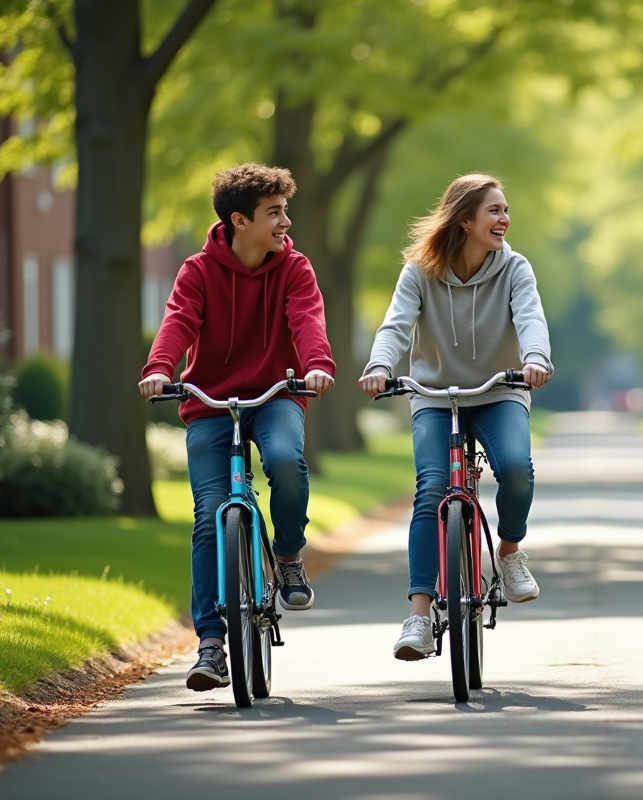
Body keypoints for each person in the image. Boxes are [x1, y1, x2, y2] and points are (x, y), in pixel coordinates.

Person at [139, 163, 335, 691]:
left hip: (276, 394)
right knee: (208, 518)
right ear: (239, 220)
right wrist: (160, 369)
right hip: (211, 401)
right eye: (275, 213)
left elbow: (306, 319)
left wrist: (317, 365)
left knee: (286, 462)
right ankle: (210, 645)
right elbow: (179, 319)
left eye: (286, 211)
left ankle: (290, 558)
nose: (285, 223)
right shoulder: (197, 271)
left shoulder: (295, 267)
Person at [359, 173, 552, 661]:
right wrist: (381, 366)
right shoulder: (419, 272)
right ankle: (419, 617)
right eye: (494, 211)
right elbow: (397, 325)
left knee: (514, 467)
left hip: (498, 390)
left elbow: (530, 317)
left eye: (506, 210)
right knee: (431, 489)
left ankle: (508, 554)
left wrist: (536, 359)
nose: (505, 219)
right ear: (465, 220)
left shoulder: (515, 268)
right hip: (434, 395)